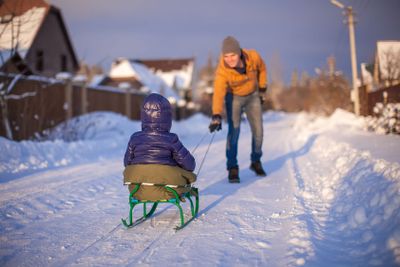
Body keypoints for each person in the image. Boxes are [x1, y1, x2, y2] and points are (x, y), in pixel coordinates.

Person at [209, 36, 267, 183]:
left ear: (239, 52)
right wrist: (216, 114)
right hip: (234, 97)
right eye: (226, 56)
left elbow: (262, 69)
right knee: (234, 131)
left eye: (232, 55)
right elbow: (218, 92)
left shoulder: (253, 56)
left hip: (253, 95)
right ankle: (232, 167)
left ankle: (255, 161)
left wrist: (262, 89)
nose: (229, 59)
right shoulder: (222, 71)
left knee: (258, 131)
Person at [123, 93, 196, 201]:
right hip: (169, 191)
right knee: (186, 175)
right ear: (167, 118)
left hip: (138, 191)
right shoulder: (171, 139)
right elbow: (190, 165)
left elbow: (127, 163)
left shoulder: (135, 138)